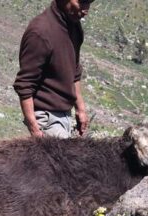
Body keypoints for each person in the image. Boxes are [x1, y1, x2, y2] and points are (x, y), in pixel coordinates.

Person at [13, 0, 94, 138]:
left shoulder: (74, 27)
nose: (86, 10)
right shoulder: (40, 32)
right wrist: (35, 129)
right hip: (47, 119)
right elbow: (24, 84)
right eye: (82, 3)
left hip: (65, 115)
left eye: (89, 3)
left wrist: (80, 109)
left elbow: (74, 69)